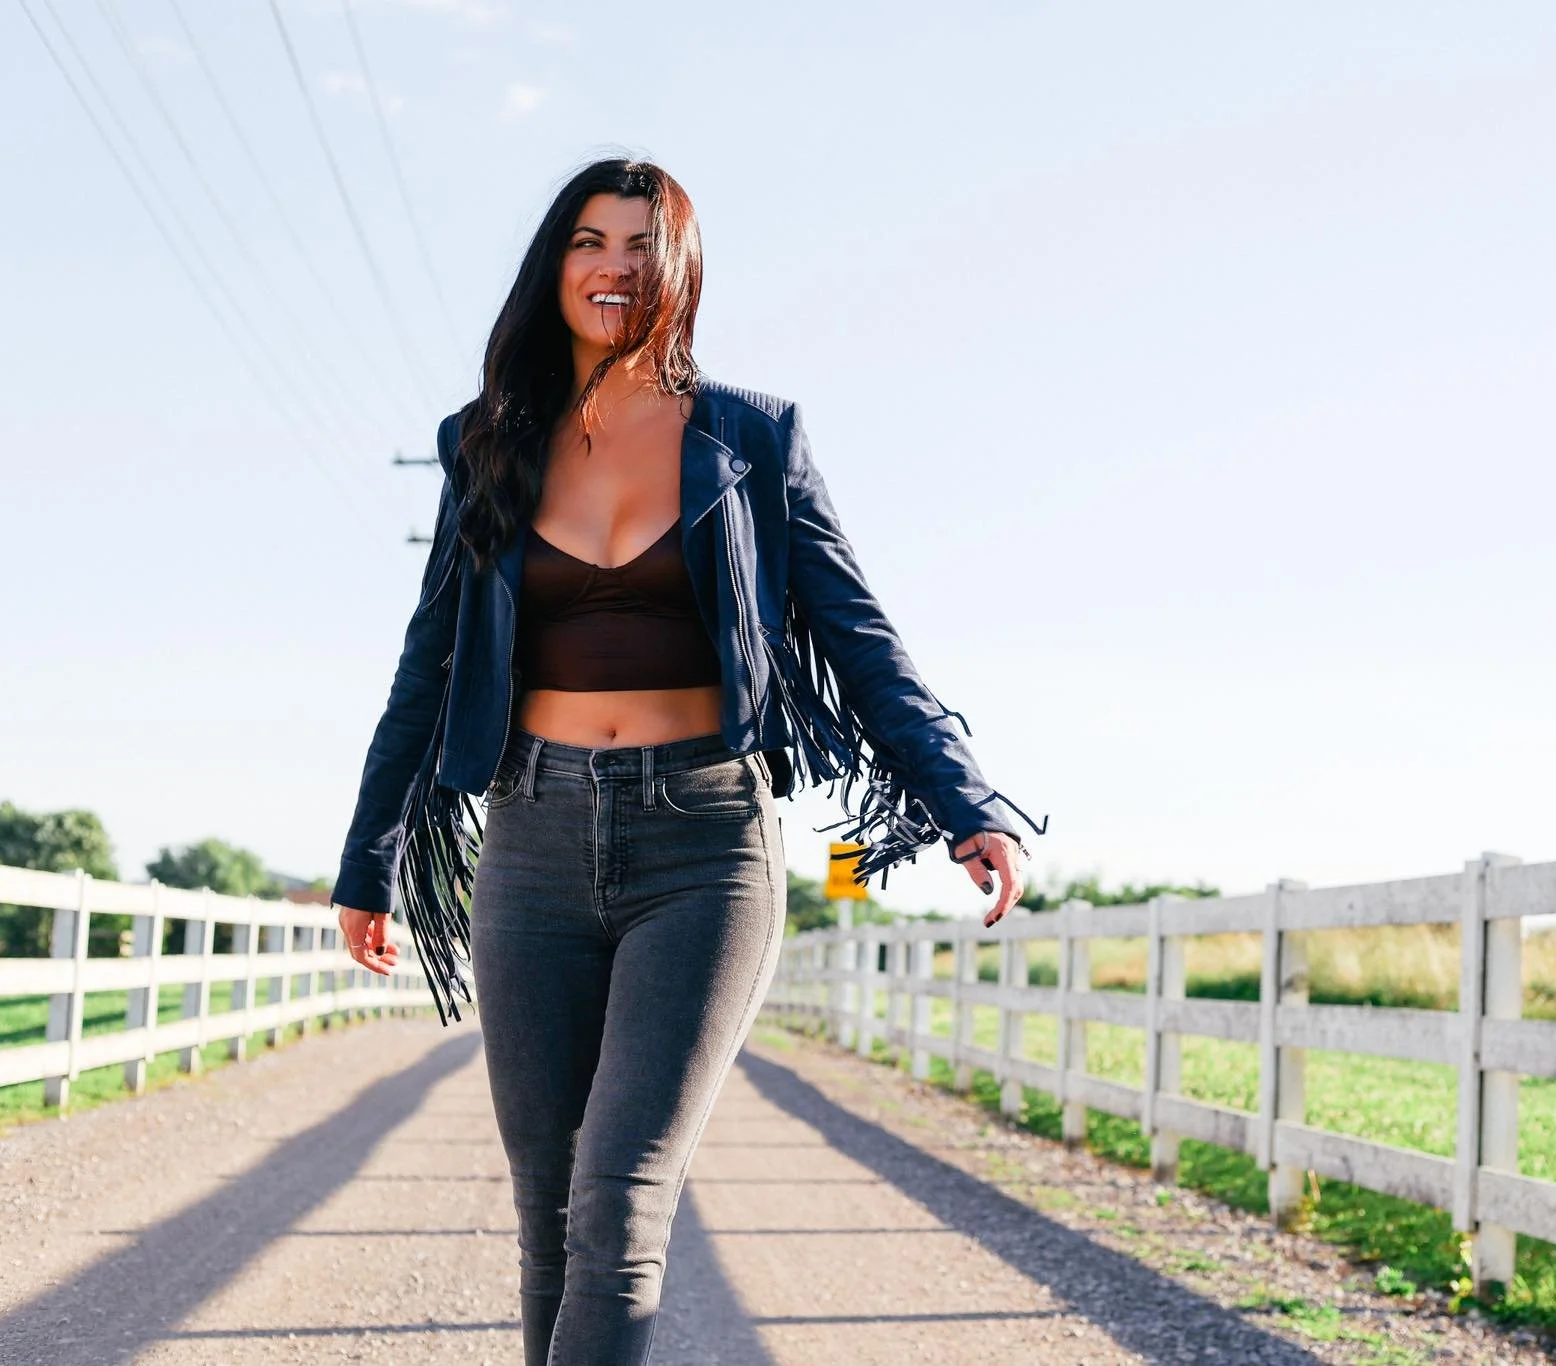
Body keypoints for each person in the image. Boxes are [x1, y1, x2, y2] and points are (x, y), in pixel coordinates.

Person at [329, 157, 1042, 1365]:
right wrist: (370, 861)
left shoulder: (751, 438)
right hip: (532, 839)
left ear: (680, 270)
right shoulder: (484, 444)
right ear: (553, 265)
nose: (613, 267)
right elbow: (429, 663)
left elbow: (859, 635)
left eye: (639, 245)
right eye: (588, 242)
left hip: (704, 850)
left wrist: (960, 796)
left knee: (617, 1200)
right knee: (549, 1211)